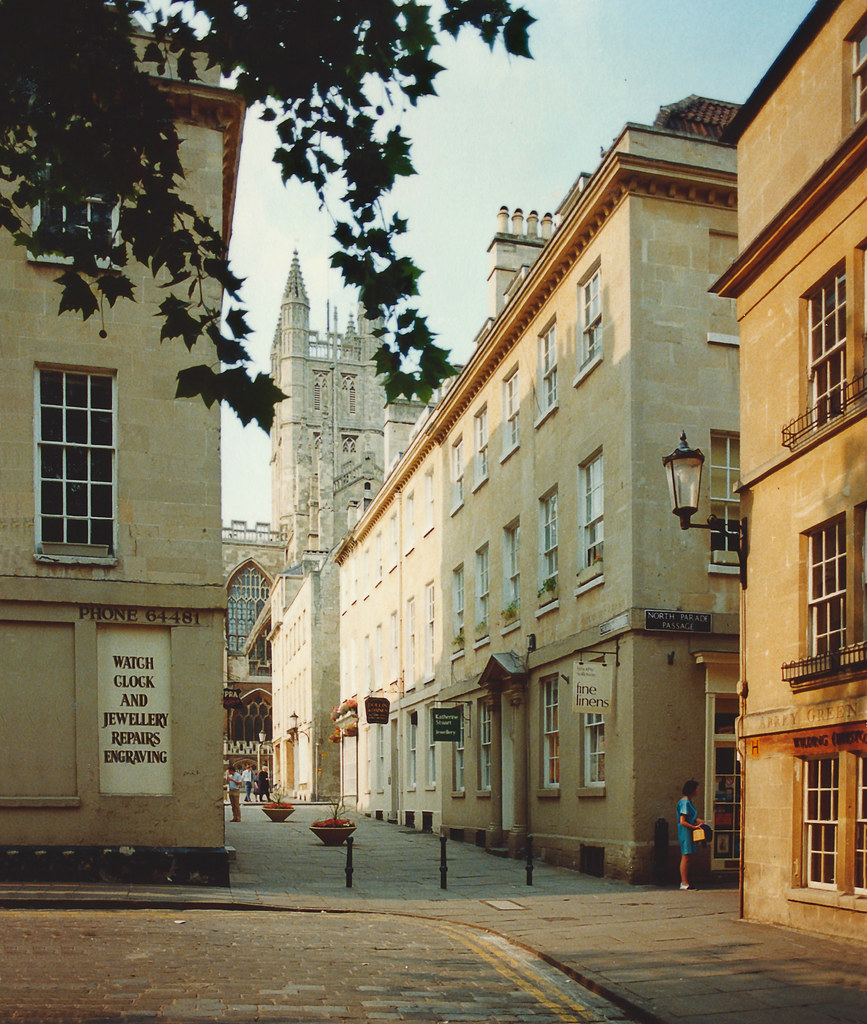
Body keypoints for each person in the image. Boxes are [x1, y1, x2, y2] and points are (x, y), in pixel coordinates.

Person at [677, 779, 705, 890]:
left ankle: (685, 881)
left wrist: (699, 821)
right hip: (686, 832)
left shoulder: (688, 801)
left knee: (688, 856)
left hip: (688, 831)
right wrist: (694, 827)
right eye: (696, 788)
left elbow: (690, 817)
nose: (698, 790)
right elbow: (683, 820)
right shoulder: (685, 802)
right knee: (686, 856)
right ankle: (684, 882)